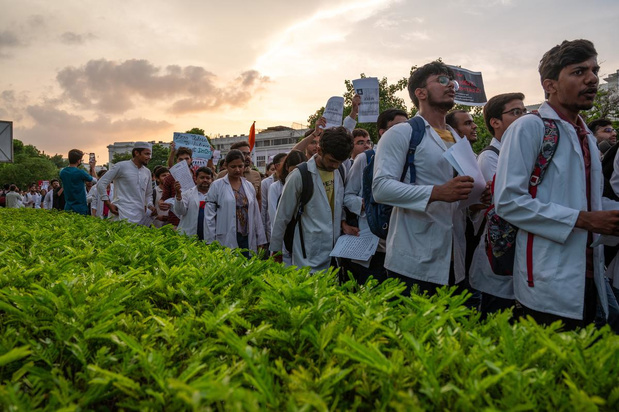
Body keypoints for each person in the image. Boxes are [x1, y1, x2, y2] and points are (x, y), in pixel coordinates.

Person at [494, 39, 619, 329]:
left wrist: (605, 216)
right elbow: (508, 201)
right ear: (549, 85)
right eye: (578, 72)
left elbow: (589, 201)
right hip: (547, 275)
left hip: (590, 275)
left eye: (594, 70)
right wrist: (585, 220)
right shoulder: (530, 126)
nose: (591, 79)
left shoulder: (586, 134)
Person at [372, 61, 475, 296]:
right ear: (420, 93)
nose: (451, 85)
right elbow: (381, 188)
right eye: (441, 80)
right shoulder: (402, 133)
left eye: (452, 81)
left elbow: (459, 194)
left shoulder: (459, 140)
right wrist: (437, 192)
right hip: (413, 260)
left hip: (454, 257)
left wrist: (475, 198)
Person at [469, 92, 527, 317]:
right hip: (500, 252)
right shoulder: (490, 157)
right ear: (495, 122)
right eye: (515, 112)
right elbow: (505, 202)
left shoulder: (522, 151)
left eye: (523, 111)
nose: (523, 117)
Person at [270, 127, 354, 272]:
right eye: (332, 160)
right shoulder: (299, 176)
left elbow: (337, 203)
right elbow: (282, 216)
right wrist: (276, 251)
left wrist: (343, 221)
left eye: (340, 162)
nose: (335, 165)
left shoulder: (340, 170)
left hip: (335, 253)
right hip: (308, 253)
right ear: (320, 151)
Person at [343, 109, 409, 285]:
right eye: (398, 126)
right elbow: (347, 195)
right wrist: (364, 204)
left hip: (404, 245)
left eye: (407, 126)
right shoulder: (367, 158)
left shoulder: (412, 158)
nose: (404, 131)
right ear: (382, 132)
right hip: (373, 246)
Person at [205, 150, 266, 257]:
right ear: (226, 166)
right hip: (226, 235)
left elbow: (256, 214)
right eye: (233, 167)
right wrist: (210, 241)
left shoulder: (249, 186)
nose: (237, 170)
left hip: (247, 236)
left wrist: (260, 239)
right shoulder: (217, 186)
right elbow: (209, 216)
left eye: (240, 166)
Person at [97, 142, 156, 224]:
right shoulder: (121, 166)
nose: (149, 157)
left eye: (150, 154)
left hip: (140, 216)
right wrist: (108, 203)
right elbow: (101, 183)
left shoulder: (147, 172)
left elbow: (148, 194)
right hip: (120, 213)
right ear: (136, 153)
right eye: (146, 154)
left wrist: (150, 206)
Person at [268, 150, 307, 266]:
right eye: (293, 170)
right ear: (286, 168)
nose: (296, 174)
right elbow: (276, 217)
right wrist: (278, 246)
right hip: (285, 241)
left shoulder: (308, 184)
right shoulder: (275, 187)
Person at [216, 141, 262, 207]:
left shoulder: (256, 175)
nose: (247, 157)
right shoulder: (222, 175)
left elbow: (258, 199)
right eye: (243, 154)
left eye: (248, 154)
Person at [173, 167, 214, 238]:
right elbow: (180, 211)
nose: (205, 180)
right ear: (195, 179)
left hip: (209, 235)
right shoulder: (186, 194)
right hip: (189, 235)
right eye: (202, 178)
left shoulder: (216, 195)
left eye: (208, 178)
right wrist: (178, 195)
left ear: (212, 180)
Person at [161, 146, 194, 228]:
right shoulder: (170, 178)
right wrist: (161, 204)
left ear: (191, 160)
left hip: (194, 220)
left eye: (186, 159)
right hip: (175, 221)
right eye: (181, 159)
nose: (184, 161)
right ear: (177, 161)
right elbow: (164, 198)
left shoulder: (198, 177)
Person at [59, 149, 97, 215]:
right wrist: (92, 168)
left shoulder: (62, 172)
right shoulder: (81, 172)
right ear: (78, 161)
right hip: (80, 207)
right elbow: (95, 181)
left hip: (68, 206)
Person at [261, 153, 287, 243]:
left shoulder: (290, 181)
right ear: (277, 166)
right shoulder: (267, 184)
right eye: (285, 163)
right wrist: (262, 234)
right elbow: (264, 208)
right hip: (271, 227)